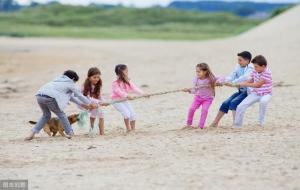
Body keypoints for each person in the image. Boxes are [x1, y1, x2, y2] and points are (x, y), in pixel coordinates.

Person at [25, 70, 96, 140]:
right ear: (73, 79)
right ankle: (70, 133)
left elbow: (70, 97)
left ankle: (32, 134)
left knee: (46, 115)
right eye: (75, 82)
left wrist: (83, 104)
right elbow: (79, 95)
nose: (74, 83)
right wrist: (89, 103)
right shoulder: (70, 83)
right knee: (62, 115)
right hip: (49, 98)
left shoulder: (57, 81)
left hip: (39, 96)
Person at [210, 51, 254, 127]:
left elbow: (244, 78)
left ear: (247, 61)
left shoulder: (251, 68)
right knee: (225, 103)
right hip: (241, 91)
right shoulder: (238, 66)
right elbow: (231, 76)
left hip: (248, 92)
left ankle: (236, 124)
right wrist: (222, 81)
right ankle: (215, 123)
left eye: (240, 60)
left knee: (234, 102)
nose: (238, 62)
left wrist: (233, 83)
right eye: (238, 60)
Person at [226, 55, 272, 127]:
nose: (255, 68)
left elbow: (257, 85)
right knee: (241, 106)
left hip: (266, 94)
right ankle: (237, 125)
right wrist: (241, 84)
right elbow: (251, 80)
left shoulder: (267, 73)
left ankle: (260, 122)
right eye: (254, 66)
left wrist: (245, 84)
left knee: (263, 102)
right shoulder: (255, 70)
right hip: (256, 93)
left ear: (263, 66)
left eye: (256, 67)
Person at [111, 64, 147, 132]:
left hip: (124, 100)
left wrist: (143, 94)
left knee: (133, 114)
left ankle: (133, 129)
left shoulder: (127, 81)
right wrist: (127, 95)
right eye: (126, 72)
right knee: (126, 113)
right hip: (116, 101)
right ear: (120, 73)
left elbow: (134, 88)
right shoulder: (115, 82)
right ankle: (128, 129)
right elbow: (118, 91)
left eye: (127, 71)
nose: (127, 73)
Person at [183, 63, 219, 129]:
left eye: (199, 72)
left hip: (208, 99)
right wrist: (188, 90)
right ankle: (188, 124)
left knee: (204, 110)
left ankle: (201, 126)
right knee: (191, 109)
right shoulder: (196, 80)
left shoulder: (211, 79)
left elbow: (221, 78)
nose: (197, 73)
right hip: (198, 98)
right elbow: (194, 91)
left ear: (205, 72)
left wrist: (218, 82)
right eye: (196, 71)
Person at [81, 67, 108, 135]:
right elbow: (87, 97)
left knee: (101, 113)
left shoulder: (98, 85)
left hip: (94, 103)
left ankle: (101, 131)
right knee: (95, 110)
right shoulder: (85, 86)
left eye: (98, 77)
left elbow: (99, 95)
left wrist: (104, 101)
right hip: (84, 103)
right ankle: (92, 128)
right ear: (89, 77)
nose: (97, 79)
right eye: (94, 77)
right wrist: (99, 102)